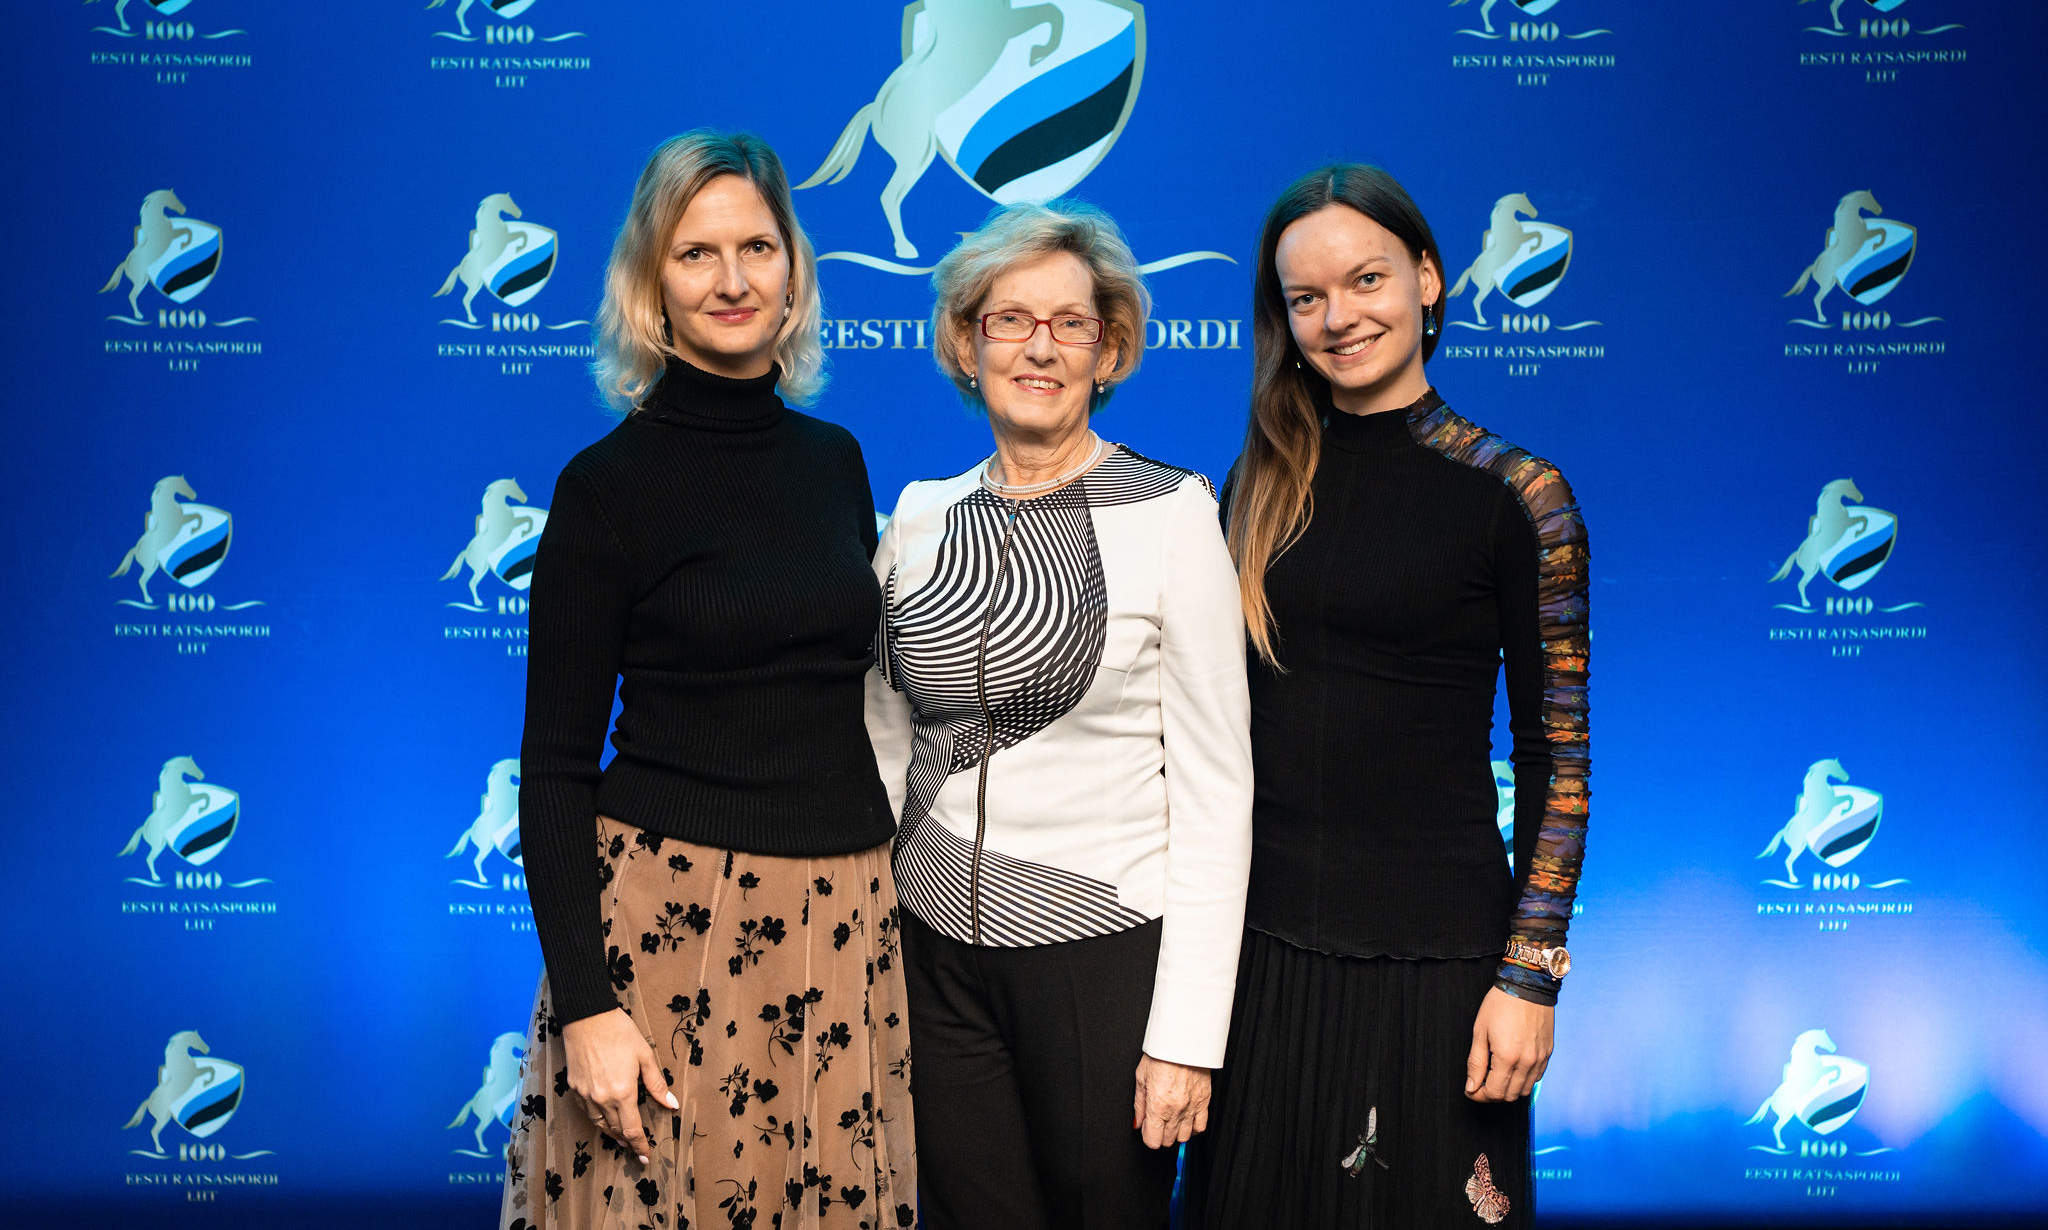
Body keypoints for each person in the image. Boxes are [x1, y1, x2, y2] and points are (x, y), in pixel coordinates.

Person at [501, 130, 915, 1230]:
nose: (732, 280)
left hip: (844, 911)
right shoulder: (604, 488)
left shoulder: (835, 461)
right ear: (652, 284)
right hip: (669, 922)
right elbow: (553, 768)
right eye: (696, 254)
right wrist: (586, 1007)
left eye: (756, 248)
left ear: (793, 269)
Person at [1187, 164, 1590, 1229]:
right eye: (1305, 297)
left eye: (1365, 279)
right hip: (1259, 958)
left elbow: (1556, 760)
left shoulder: (1519, 494)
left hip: (1441, 965)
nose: (1338, 317)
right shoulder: (1255, 484)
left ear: (1427, 277)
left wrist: (1530, 977)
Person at [863, 200, 1254, 1230]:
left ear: (1108, 349)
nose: (1039, 347)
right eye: (1009, 319)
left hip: (1104, 959)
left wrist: (1186, 1036)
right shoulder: (917, 515)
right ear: (966, 342)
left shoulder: (1174, 513)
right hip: (932, 955)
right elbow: (884, 741)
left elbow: (1217, 793)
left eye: (1070, 323)